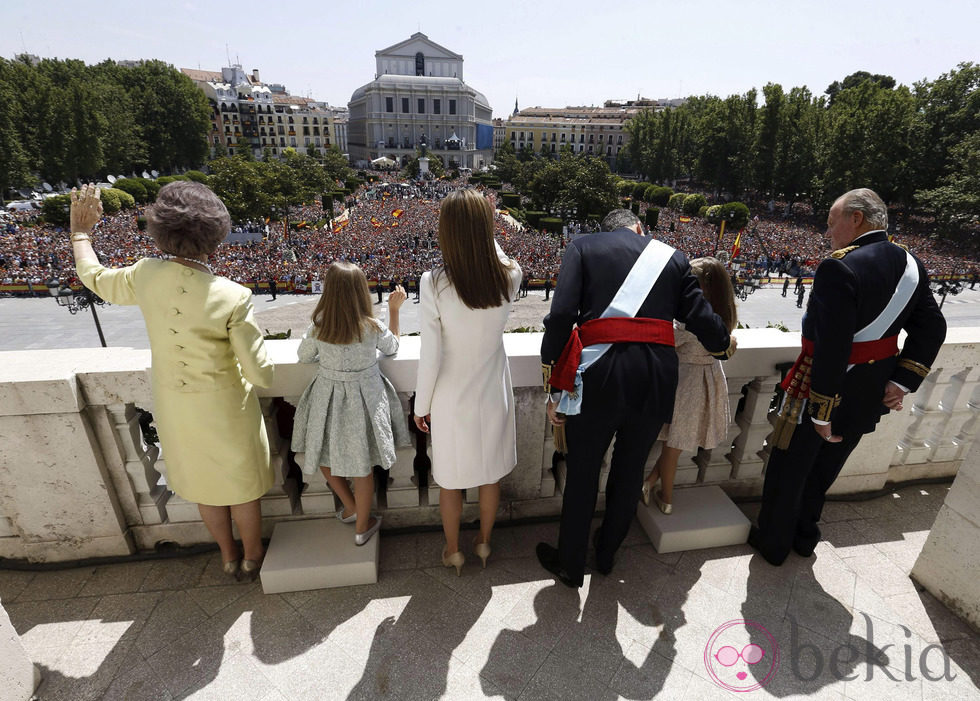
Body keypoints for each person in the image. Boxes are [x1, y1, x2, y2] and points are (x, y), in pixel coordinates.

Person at [70, 182, 274, 581]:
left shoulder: (146, 274)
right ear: (216, 234)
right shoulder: (232, 295)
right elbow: (261, 372)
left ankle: (228, 556)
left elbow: (92, 275)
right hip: (226, 408)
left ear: (160, 231)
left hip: (176, 409)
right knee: (241, 489)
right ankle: (252, 557)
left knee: (205, 488)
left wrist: (81, 233)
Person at [536, 209, 733, 587]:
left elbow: (561, 315)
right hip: (656, 378)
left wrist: (553, 379)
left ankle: (571, 564)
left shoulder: (582, 247)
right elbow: (703, 319)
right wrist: (723, 345)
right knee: (630, 472)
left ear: (604, 230)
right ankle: (608, 554)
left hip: (598, 378)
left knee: (582, 473)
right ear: (640, 229)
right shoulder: (672, 257)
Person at [750, 188, 946, 566]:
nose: (827, 233)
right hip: (871, 389)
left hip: (823, 388)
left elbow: (832, 347)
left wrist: (821, 411)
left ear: (856, 219)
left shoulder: (839, 266)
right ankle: (805, 537)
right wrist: (901, 381)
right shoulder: (910, 263)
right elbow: (932, 328)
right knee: (825, 472)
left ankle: (774, 544)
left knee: (789, 470)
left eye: (830, 222)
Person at [413, 189, 522, 576]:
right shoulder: (511, 274)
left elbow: (430, 355)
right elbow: (499, 254)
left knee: (451, 480)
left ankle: (453, 549)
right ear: (487, 228)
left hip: (450, 396)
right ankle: (484, 542)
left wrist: (420, 405)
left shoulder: (434, 283)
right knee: (489, 476)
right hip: (492, 390)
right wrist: (481, 226)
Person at [290, 263, 409, 546]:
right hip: (364, 398)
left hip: (328, 397)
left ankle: (351, 505)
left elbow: (304, 356)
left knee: (321, 454)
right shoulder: (372, 326)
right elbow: (393, 348)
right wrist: (394, 311)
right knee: (363, 466)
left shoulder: (319, 326)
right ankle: (361, 525)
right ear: (361, 291)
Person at [642, 257, 738, 514]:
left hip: (686, 382)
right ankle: (650, 482)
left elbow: (663, 341)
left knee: (673, 445)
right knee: (680, 441)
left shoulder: (690, 320)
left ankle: (667, 498)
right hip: (709, 379)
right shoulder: (723, 315)